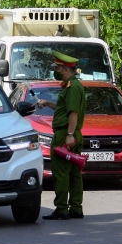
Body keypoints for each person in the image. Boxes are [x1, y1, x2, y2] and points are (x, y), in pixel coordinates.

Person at [35, 51, 87, 220]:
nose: (55, 70)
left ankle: (62, 209)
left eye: (57, 67)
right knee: (73, 173)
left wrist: (69, 135)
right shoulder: (73, 86)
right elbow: (65, 107)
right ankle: (76, 208)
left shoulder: (72, 87)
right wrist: (48, 103)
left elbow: (73, 113)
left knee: (61, 173)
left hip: (65, 134)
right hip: (71, 133)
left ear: (65, 70)